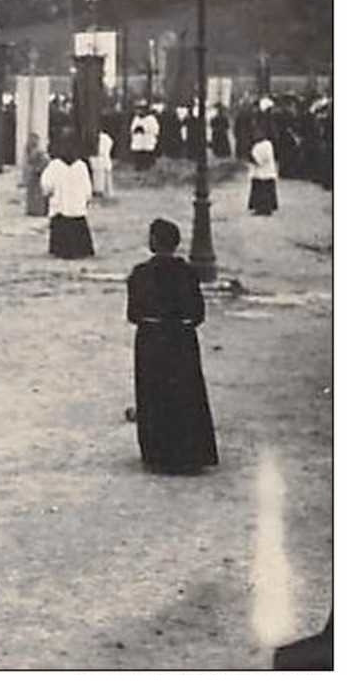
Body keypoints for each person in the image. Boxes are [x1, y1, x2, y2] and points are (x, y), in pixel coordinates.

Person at [128, 219, 217, 474]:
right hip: (181, 339)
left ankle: (158, 453)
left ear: (153, 242)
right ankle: (189, 452)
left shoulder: (140, 273)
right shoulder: (188, 273)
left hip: (151, 340)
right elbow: (198, 314)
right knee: (185, 392)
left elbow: (133, 314)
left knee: (153, 393)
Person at [41, 138, 96, 259]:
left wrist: (48, 194)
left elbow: (47, 184)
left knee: (61, 225)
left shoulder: (55, 166)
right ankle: (81, 249)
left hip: (61, 205)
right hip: (77, 206)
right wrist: (87, 199)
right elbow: (87, 187)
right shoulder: (81, 166)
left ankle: (61, 249)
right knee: (77, 225)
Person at [248, 127, 279, 215]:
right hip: (259, 172)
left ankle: (264, 209)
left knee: (263, 191)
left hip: (264, 172)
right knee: (260, 190)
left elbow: (262, 159)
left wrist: (253, 158)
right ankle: (260, 208)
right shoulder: (258, 145)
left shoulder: (266, 145)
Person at [23, 132, 50, 217]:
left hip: (38, 175)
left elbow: (45, 161)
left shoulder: (39, 152)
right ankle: (33, 209)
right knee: (33, 193)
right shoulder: (30, 151)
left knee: (38, 194)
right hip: (33, 176)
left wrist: (38, 169)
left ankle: (38, 210)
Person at [129, 104, 158, 171]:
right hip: (138, 140)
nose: (139, 112)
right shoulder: (136, 118)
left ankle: (147, 166)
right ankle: (138, 166)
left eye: (141, 110)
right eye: (138, 110)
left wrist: (145, 129)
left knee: (146, 154)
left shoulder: (151, 119)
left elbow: (155, 130)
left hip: (147, 139)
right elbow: (132, 128)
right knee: (138, 154)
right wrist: (135, 129)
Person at [92, 128, 115, 199]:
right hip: (97, 158)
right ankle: (98, 190)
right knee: (98, 175)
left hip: (103, 157)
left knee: (105, 175)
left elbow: (104, 149)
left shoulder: (106, 138)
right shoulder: (94, 138)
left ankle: (106, 192)